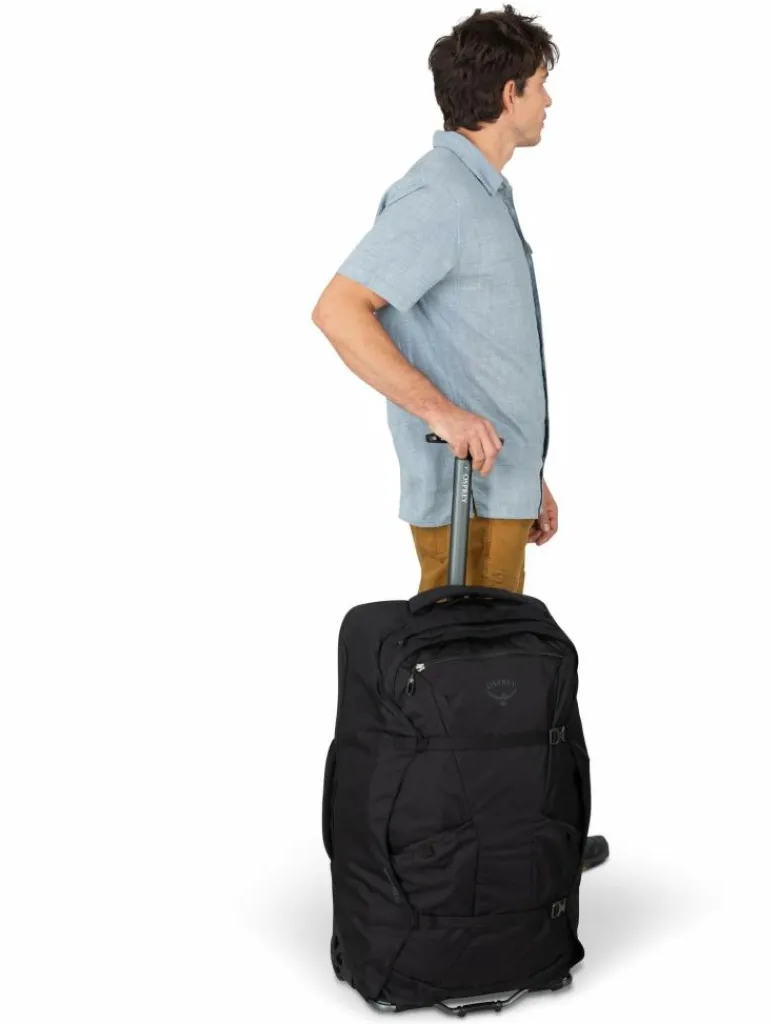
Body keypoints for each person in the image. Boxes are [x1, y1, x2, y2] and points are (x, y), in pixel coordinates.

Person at [312, 6, 608, 873]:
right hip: (463, 498)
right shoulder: (439, 196)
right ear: (508, 93)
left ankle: (508, 846)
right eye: (541, 85)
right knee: (470, 695)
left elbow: (477, 351)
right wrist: (440, 414)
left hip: (497, 490)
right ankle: (472, 869)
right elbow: (339, 311)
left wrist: (530, 474)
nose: (549, 101)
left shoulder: (482, 195)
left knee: (490, 690)